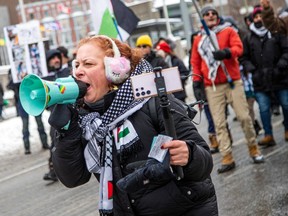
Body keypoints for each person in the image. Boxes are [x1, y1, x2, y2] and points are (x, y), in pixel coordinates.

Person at [50, 35, 218, 215]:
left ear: (115, 70)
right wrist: (65, 132)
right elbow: (73, 178)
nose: (78, 72)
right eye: (76, 65)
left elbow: (205, 162)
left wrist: (189, 155)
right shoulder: (85, 123)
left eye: (88, 64)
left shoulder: (153, 102)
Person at [191, 5, 265, 174]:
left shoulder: (228, 31)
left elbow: (239, 48)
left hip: (233, 82)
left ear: (217, 16)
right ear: (203, 18)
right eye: (206, 14)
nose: (210, 15)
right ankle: (227, 156)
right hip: (213, 86)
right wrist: (197, 82)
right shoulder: (199, 39)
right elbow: (195, 62)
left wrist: (226, 52)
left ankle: (254, 148)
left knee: (244, 117)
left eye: (213, 13)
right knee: (219, 123)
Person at [240, 6, 288, 146]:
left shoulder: (277, 31)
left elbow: (286, 50)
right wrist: (253, 70)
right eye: (256, 17)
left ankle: (287, 129)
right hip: (260, 81)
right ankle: (268, 135)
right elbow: (244, 58)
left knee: (286, 104)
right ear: (253, 20)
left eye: (261, 16)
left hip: (280, 77)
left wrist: (280, 67)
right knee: (263, 108)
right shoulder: (248, 38)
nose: (259, 19)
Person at [43, 49, 71, 181]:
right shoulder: (45, 78)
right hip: (56, 115)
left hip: (73, 113)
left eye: (57, 57)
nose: (56, 60)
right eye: (52, 58)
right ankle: (54, 169)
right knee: (54, 142)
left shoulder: (68, 72)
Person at [6, 70, 49, 154]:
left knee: (40, 123)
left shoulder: (30, 68)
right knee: (25, 126)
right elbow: (9, 86)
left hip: (34, 101)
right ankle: (27, 147)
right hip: (23, 102)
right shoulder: (13, 70)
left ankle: (45, 143)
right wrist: (19, 79)